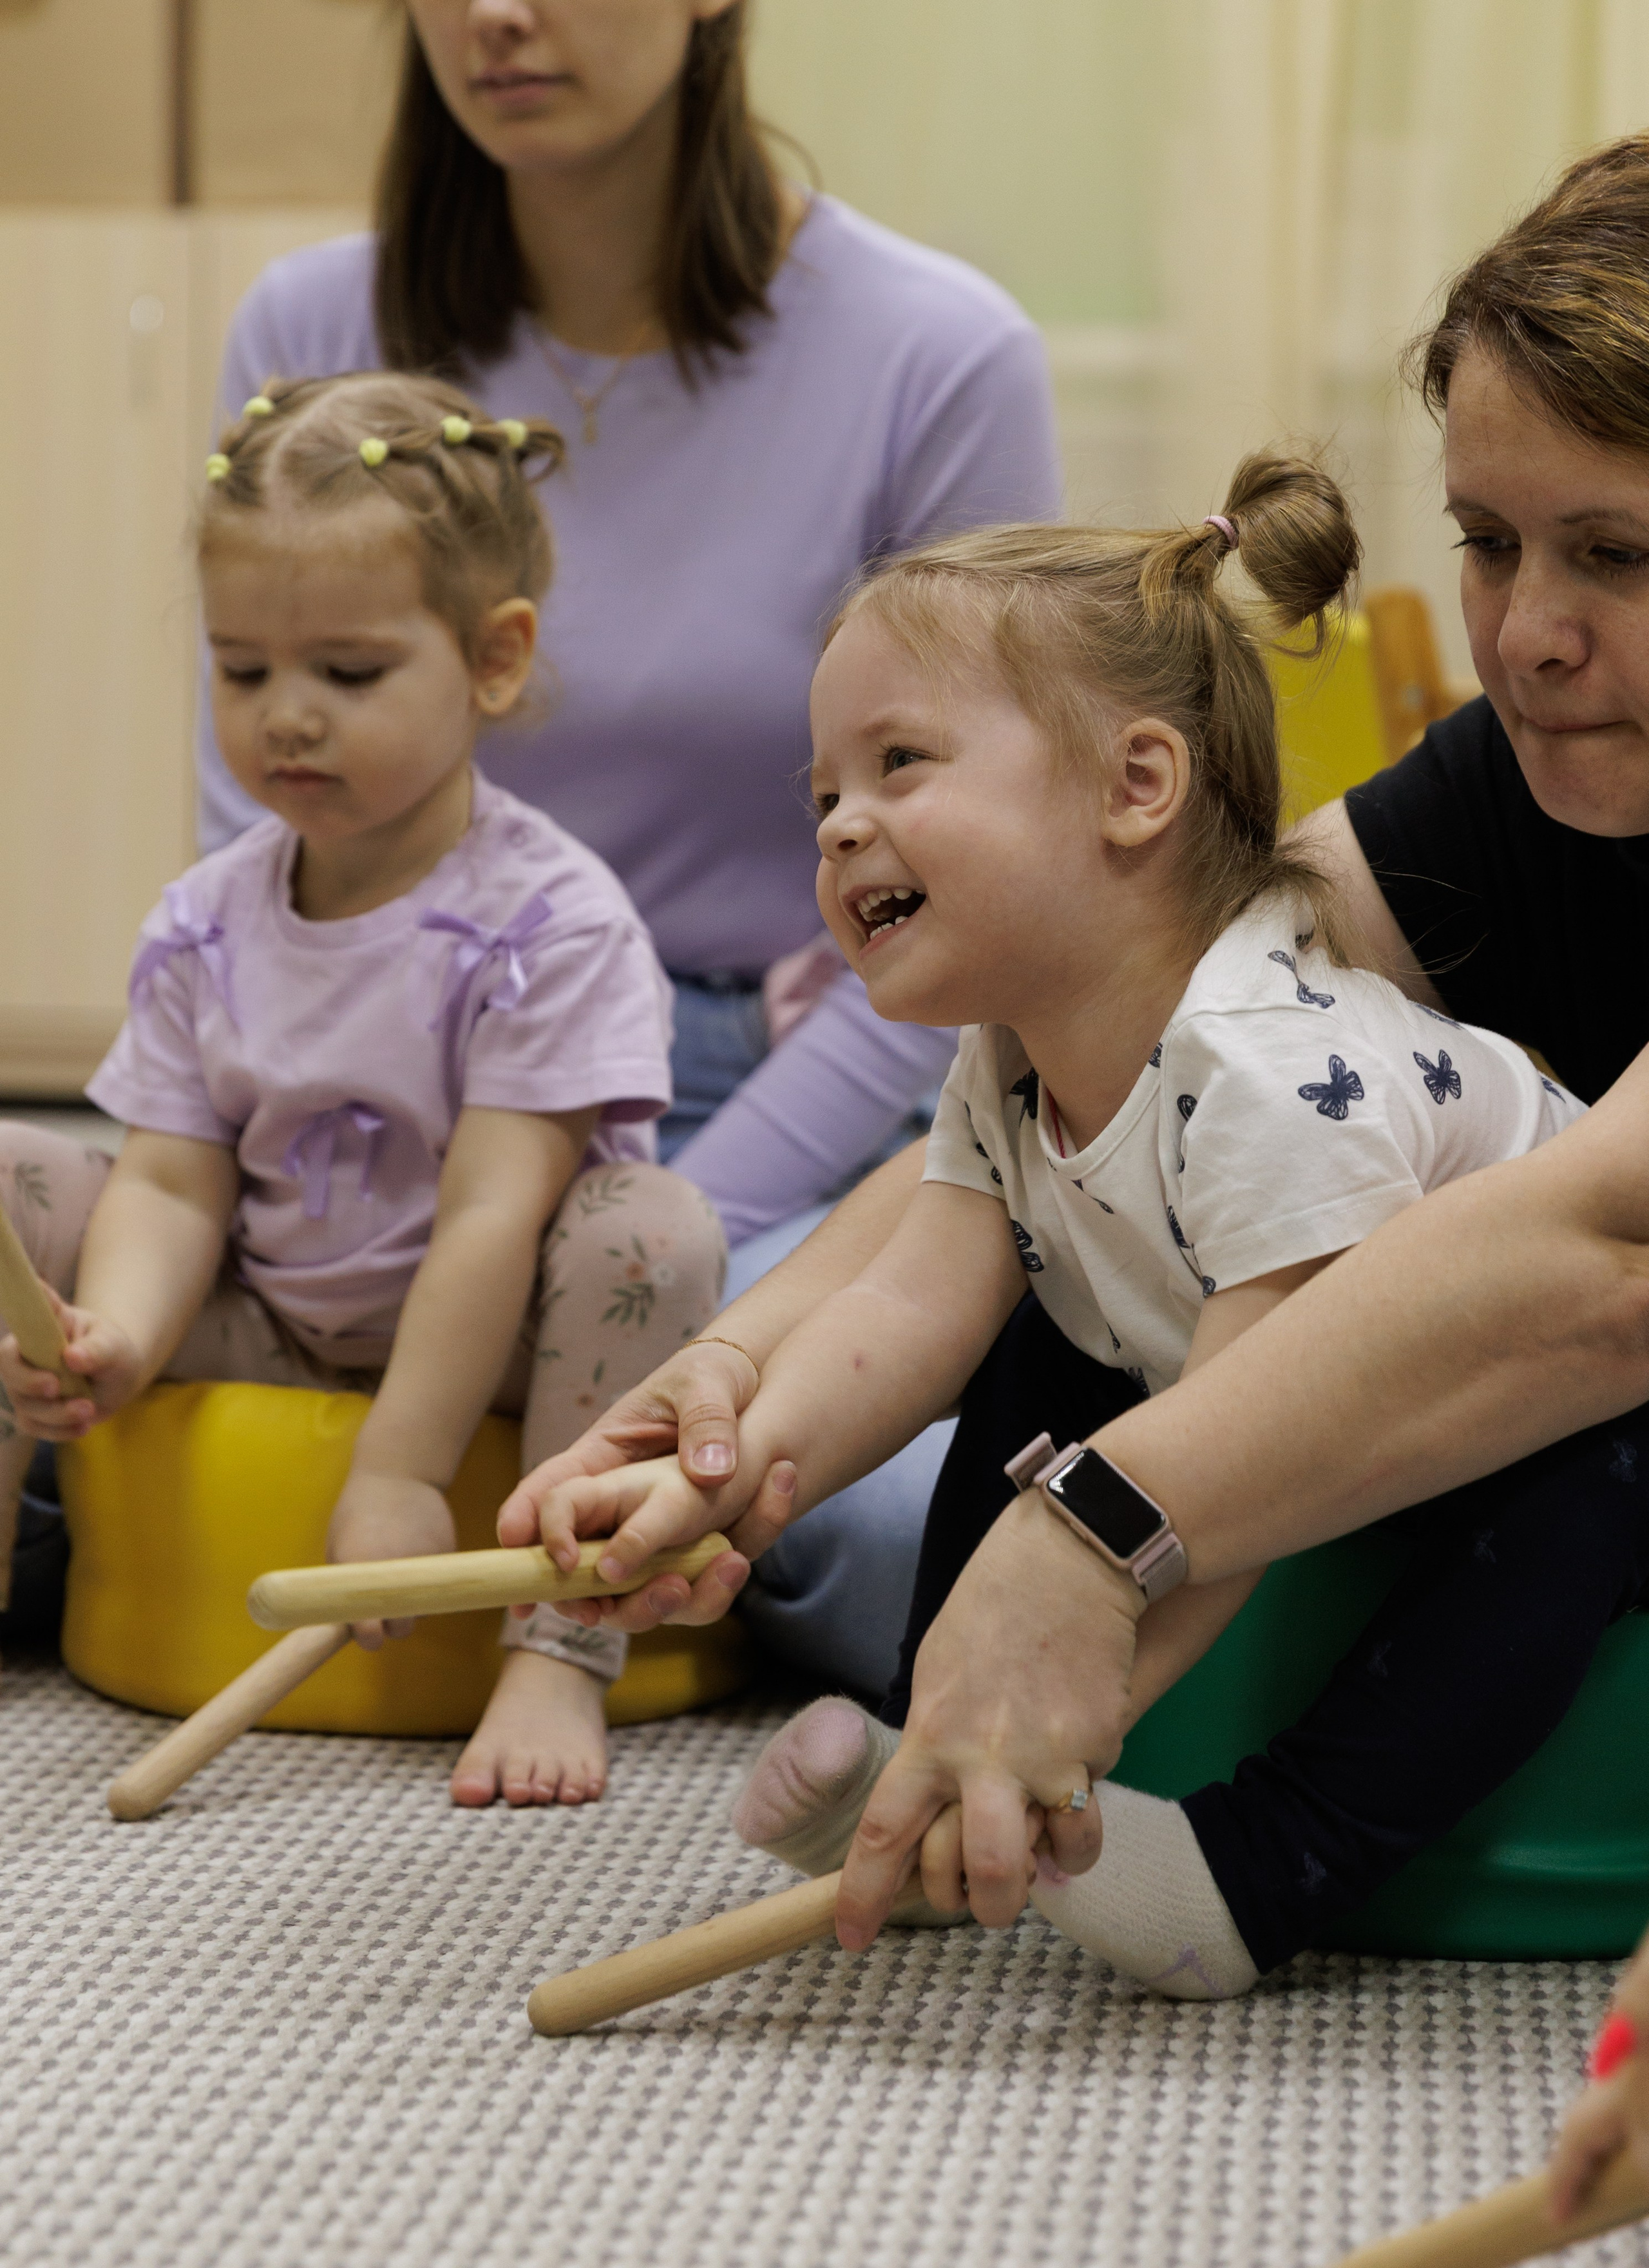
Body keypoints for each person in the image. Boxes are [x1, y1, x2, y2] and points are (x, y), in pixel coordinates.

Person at [490, 129, 1649, 1953]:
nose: (1525, 638)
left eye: (1617, 555)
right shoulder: (1502, 779)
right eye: (1490, 546)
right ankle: (941, 1762)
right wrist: (723, 1406)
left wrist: (1097, 1545)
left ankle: (1266, 1862)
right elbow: (1092, 1096)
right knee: (1029, 1327)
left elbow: (1609, 1258)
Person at [191, 0, 1062, 1712]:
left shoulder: (936, 352)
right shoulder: (307, 325)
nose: (499, 17)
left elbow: (965, 918)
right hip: (375, 1072)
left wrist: (669, 1257)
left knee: (889, 1544)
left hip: (762, 1096)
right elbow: (253, 845)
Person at [0, 372, 726, 1809]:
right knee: (19, 1172)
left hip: (505, 1347)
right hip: (272, 1315)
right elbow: (169, 1181)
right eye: (242, 670)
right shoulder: (205, 920)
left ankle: (559, 1644)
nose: (287, 718)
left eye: (346, 673)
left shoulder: (551, 923)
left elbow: (490, 1217)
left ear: (493, 659)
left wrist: (399, 1470)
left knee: (654, 1232)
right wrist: (120, 1334)